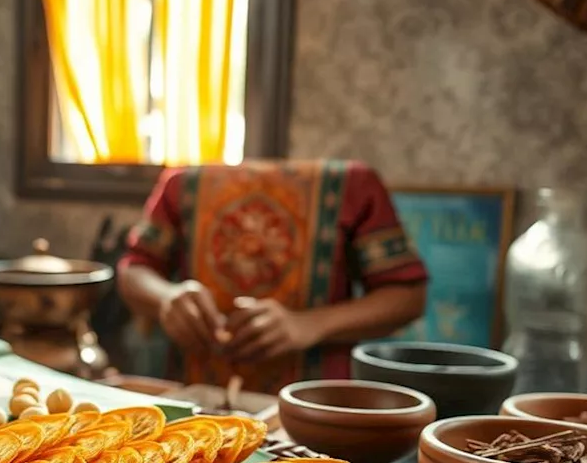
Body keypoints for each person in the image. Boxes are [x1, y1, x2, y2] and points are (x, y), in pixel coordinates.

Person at [117, 160, 429, 395]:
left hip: (317, 407)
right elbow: (134, 269)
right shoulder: (177, 186)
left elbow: (408, 295)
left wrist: (308, 324)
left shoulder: (358, 188)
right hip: (196, 399)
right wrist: (166, 298)